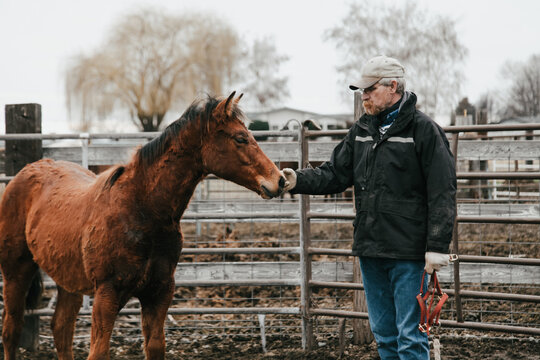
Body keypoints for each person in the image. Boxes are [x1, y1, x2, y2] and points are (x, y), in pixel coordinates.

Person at [281, 55, 456, 360]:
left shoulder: (424, 130)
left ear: (392, 87)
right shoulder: (361, 131)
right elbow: (334, 174)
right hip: (371, 249)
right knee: (385, 336)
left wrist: (437, 245)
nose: (363, 95)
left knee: (410, 336)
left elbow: (442, 190)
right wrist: (296, 180)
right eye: (361, 90)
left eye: (369, 89)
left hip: (409, 253)